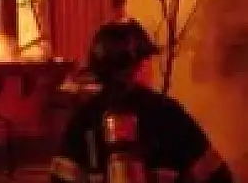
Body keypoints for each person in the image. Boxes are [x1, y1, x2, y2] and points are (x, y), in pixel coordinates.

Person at [50, 19, 234, 183]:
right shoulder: (168, 115)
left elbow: (62, 179)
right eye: (146, 61)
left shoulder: (83, 120)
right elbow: (217, 176)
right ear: (135, 67)